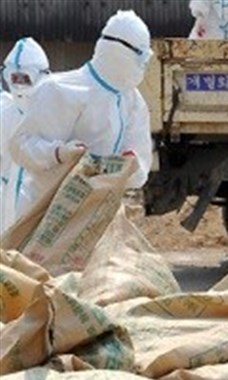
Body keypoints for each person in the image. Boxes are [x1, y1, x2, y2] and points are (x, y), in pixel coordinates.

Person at [9, 10, 153, 217]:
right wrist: (58, 153)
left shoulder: (132, 101)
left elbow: (140, 162)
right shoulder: (60, 90)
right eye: (141, 56)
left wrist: (131, 165)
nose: (143, 65)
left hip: (96, 216)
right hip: (46, 213)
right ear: (118, 51)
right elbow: (20, 146)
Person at [0, 37, 50, 233]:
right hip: (6, 195)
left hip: (38, 196)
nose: (19, 85)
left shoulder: (54, 112)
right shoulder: (5, 111)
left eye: (25, 78)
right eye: (15, 78)